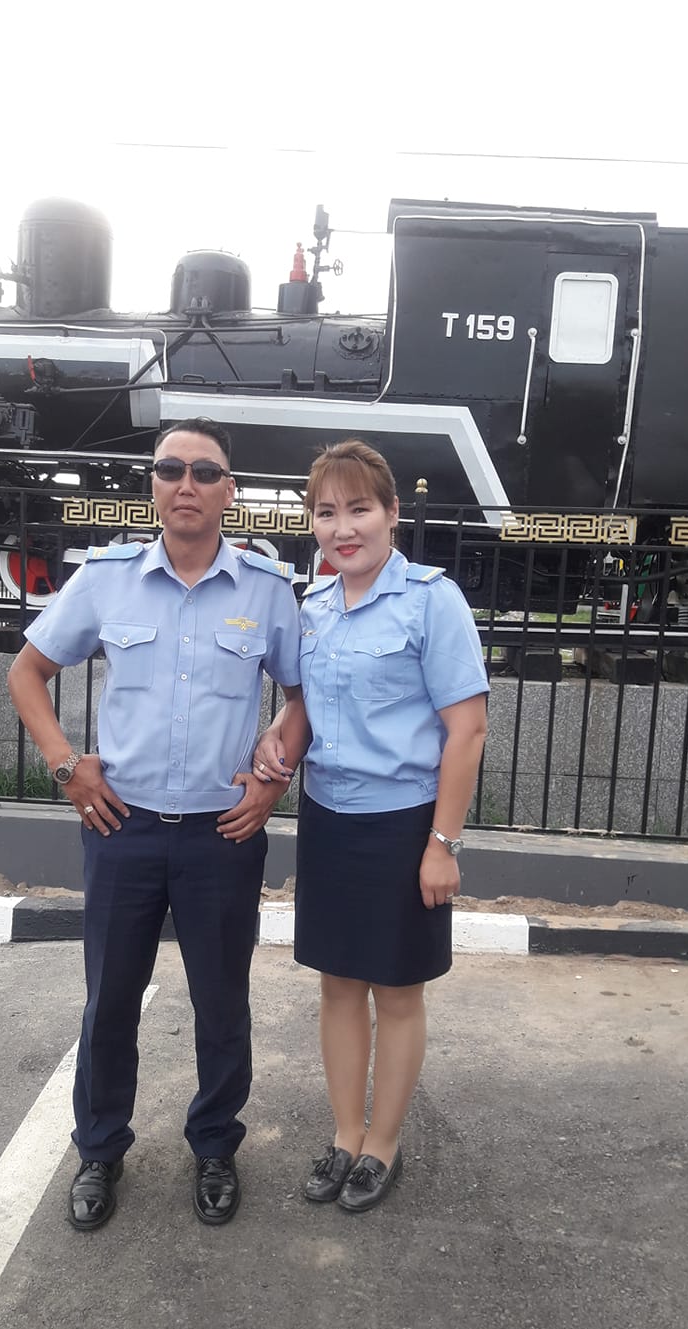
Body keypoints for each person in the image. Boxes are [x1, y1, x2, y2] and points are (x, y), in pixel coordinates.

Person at [8, 417, 304, 1230]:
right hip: (122, 828)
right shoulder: (107, 580)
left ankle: (214, 1147)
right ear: (153, 485)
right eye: (171, 469)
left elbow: (302, 695)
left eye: (205, 472)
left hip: (223, 833)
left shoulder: (266, 591)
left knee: (222, 1003)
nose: (186, 484)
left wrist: (273, 779)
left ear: (229, 492)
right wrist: (67, 766)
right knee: (109, 1002)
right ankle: (100, 1150)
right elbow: (28, 672)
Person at [253, 439, 489, 1212]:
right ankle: (345, 1134)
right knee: (339, 985)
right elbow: (308, 710)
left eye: (359, 509)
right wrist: (276, 740)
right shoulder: (314, 607)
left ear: (391, 513)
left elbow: (467, 730)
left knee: (397, 992)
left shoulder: (431, 601)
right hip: (329, 820)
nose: (342, 527)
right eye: (326, 512)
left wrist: (442, 845)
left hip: (403, 825)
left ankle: (383, 1144)